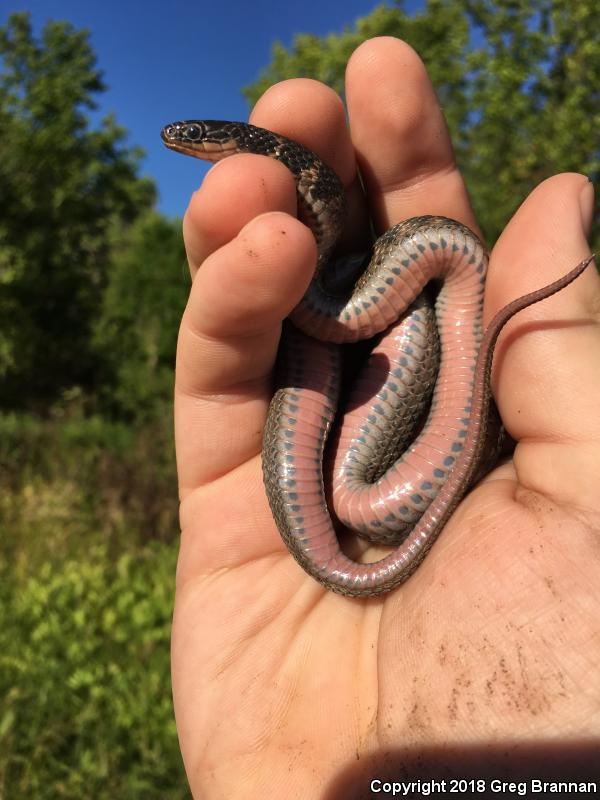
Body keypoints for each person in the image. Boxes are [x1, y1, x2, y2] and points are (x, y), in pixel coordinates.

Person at [169, 37, 599, 798]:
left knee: (346, 453)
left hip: (415, 294)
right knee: (294, 305)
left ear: (224, 143)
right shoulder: (310, 260)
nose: (180, 147)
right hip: (349, 320)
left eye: (190, 139)